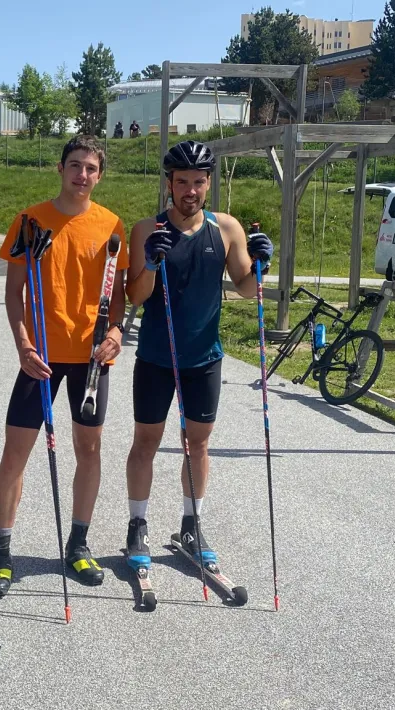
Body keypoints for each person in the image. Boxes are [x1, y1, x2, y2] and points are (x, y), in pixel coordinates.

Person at [0, 135, 129, 596]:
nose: (81, 175)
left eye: (90, 168)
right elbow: (13, 294)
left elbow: (118, 292)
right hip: (40, 358)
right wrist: (23, 344)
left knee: (89, 450)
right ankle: (1, 550)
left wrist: (115, 331)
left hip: (90, 359)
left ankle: (78, 544)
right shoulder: (30, 220)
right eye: (74, 166)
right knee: (16, 453)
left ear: (99, 174)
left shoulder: (111, 226)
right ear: (60, 168)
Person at [122, 140, 273, 571]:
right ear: (169, 184)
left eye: (199, 182)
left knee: (197, 444)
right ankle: (137, 524)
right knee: (146, 443)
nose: (190, 190)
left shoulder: (225, 228)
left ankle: (192, 522)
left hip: (204, 357)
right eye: (182, 181)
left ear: (209, 185)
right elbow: (136, 296)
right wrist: (151, 262)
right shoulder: (145, 230)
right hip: (155, 356)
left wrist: (261, 263)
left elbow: (246, 287)